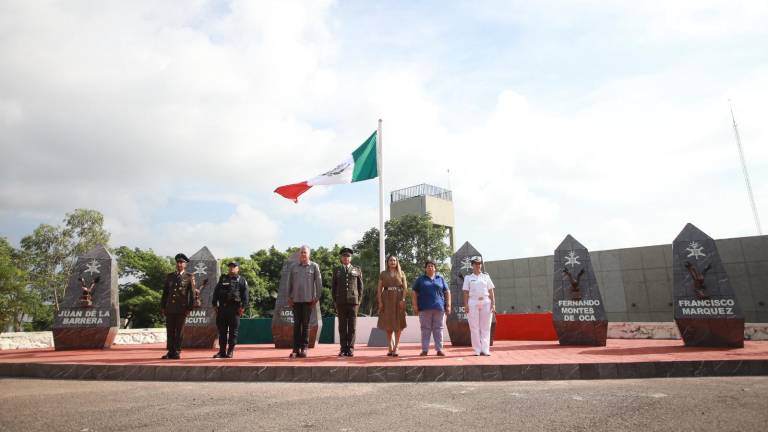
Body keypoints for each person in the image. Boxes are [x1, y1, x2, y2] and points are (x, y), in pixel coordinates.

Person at [287, 245, 322, 358]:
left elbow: (319, 283)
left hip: (308, 300)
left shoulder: (314, 266)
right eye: (301, 252)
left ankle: (304, 348)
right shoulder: (293, 267)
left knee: (306, 325)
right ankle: (295, 349)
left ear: (309, 254)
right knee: (297, 324)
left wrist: (316, 298)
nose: (303, 254)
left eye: (305, 252)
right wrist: (289, 296)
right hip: (296, 300)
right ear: (299, 254)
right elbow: (289, 283)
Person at [411, 259, 451, 356]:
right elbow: (414, 292)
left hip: (439, 308)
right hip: (424, 308)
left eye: (432, 266)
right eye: (428, 266)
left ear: (435, 268)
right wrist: (415, 306)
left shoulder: (440, 279)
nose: (430, 267)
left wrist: (448, 305)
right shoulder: (420, 279)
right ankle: (425, 350)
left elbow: (447, 292)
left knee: (439, 329)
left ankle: (439, 349)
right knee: (425, 329)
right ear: (425, 268)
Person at [160, 253, 196, 360]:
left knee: (179, 331)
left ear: (185, 264)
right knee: (170, 331)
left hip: (182, 308)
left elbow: (192, 294)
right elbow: (165, 293)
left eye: (182, 263)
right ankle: (170, 352)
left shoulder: (189, 277)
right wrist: (162, 306)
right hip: (170, 308)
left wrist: (189, 308)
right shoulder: (170, 276)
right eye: (178, 262)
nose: (179, 264)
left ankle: (177, 351)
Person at [212, 261, 249, 359]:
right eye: (230, 267)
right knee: (222, 331)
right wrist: (214, 304)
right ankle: (222, 351)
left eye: (234, 267)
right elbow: (216, 292)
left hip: (235, 309)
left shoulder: (242, 280)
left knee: (233, 332)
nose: (231, 268)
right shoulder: (223, 278)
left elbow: (245, 295)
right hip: (222, 309)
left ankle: (230, 351)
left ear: (238, 269)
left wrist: (243, 307)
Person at [332, 247, 363, 357]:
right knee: (342, 327)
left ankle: (350, 348)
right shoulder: (337, 270)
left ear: (351, 258)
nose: (346, 258)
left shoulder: (357, 269)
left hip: (353, 302)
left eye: (348, 256)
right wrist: (335, 301)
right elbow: (333, 287)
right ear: (341, 258)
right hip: (341, 302)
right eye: (344, 256)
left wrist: (358, 301)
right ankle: (342, 348)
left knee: (352, 326)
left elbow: (360, 287)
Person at [462, 256, 496, 356]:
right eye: (476, 263)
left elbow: (491, 290)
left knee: (486, 327)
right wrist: (466, 305)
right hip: (473, 302)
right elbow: (465, 292)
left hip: (486, 302)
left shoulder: (486, 276)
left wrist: (493, 304)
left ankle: (485, 349)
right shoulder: (468, 278)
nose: (478, 265)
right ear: (472, 265)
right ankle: (477, 349)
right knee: (474, 327)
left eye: (479, 263)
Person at [376, 255, 407, 356]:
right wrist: (380, 302)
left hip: (398, 299)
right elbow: (379, 288)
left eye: (394, 260)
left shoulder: (401, 273)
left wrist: (403, 299)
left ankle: (396, 347)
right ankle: (390, 346)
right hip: (386, 299)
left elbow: (405, 288)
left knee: (398, 324)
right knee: (388, 324)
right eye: (390, 260)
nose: (392, 262)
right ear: (387, 262)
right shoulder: (383, 274)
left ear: (397, 262)